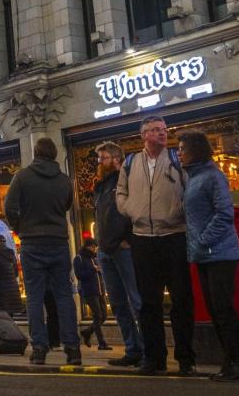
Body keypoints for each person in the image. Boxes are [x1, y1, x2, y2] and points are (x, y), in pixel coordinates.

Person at [116, 116, 195, 376]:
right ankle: (154, 359)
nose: (162, 134)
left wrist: (177, 211)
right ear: (143, 135)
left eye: (163, 129)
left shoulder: (176, 159)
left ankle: (186, 359)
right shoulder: (130, 163)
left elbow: (191, 190)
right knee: (148, 304)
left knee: (181, 300)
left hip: (174, 235)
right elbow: (121, 193)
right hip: (142, 239)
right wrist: (132, 211)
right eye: (155, 130)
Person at [179, 130, 239, 382]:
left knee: (223, 309)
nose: (179, 153)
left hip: (219, 254)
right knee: (214, 309)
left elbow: (224, 214)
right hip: (203, 255)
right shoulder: (193, 178)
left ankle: (238, 362)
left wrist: (203, 240)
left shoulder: (213, 176)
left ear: (195, 151)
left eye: (182, 149)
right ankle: (229, 361)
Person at [4, 137, 79, 365]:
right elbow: (66, 205)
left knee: (35, 297)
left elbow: (10, 207)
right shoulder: (65, 180)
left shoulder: (22, 177)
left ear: (35, 153)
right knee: (64, 296)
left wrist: (19, 227)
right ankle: (73, 349)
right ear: (55, 154)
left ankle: (39, 348)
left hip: (32, 243)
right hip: (58, 242)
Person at [93, 140, 143, 367]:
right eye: (98, 159)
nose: (99, 162)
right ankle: (133, 349)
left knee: (136, 301)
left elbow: (135, 210)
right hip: (105, 251)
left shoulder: (127, 178)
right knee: (118, 303)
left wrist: (127, 239)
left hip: (123, 249)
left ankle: (147, 348)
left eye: (102, 158)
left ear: (115, 159)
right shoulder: (101, 185)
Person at [73, 238, 110, 350]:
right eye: (93, 246)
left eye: (95, 247)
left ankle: (87, 332)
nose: (94, 249)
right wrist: (94, 270)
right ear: (87, 246)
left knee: (104, 316)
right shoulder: (78, 258)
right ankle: (101, 343)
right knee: (97, 315)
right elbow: (79, 275)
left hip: (100, 290)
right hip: (89, 291)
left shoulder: (95, 258)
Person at [0, 235, 23, 316]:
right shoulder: (12, 254)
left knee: (2, 314)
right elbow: (16, 273)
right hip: (13, 288)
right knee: (11, 314)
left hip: (2, 289)